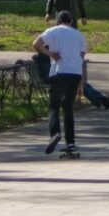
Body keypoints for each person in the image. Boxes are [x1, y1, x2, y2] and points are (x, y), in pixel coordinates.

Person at [33, 10, 88, 156]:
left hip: (59, 72)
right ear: (71, 21)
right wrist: (81, 83)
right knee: (68, 106)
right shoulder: (79, 35)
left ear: (58, 21)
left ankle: (55, 134)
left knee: (54, 106)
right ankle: (70, 142)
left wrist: (51, 54)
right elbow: (81, 58)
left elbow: (36, 44)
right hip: (75, 74)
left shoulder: (52, 31)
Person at [31, 50, 109, 110]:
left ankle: (103, 100)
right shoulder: (44, 57)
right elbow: (49, 74)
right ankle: (103, 101)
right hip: (54, 81)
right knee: (77, 84)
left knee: (83, 84)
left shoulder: (47, 55)